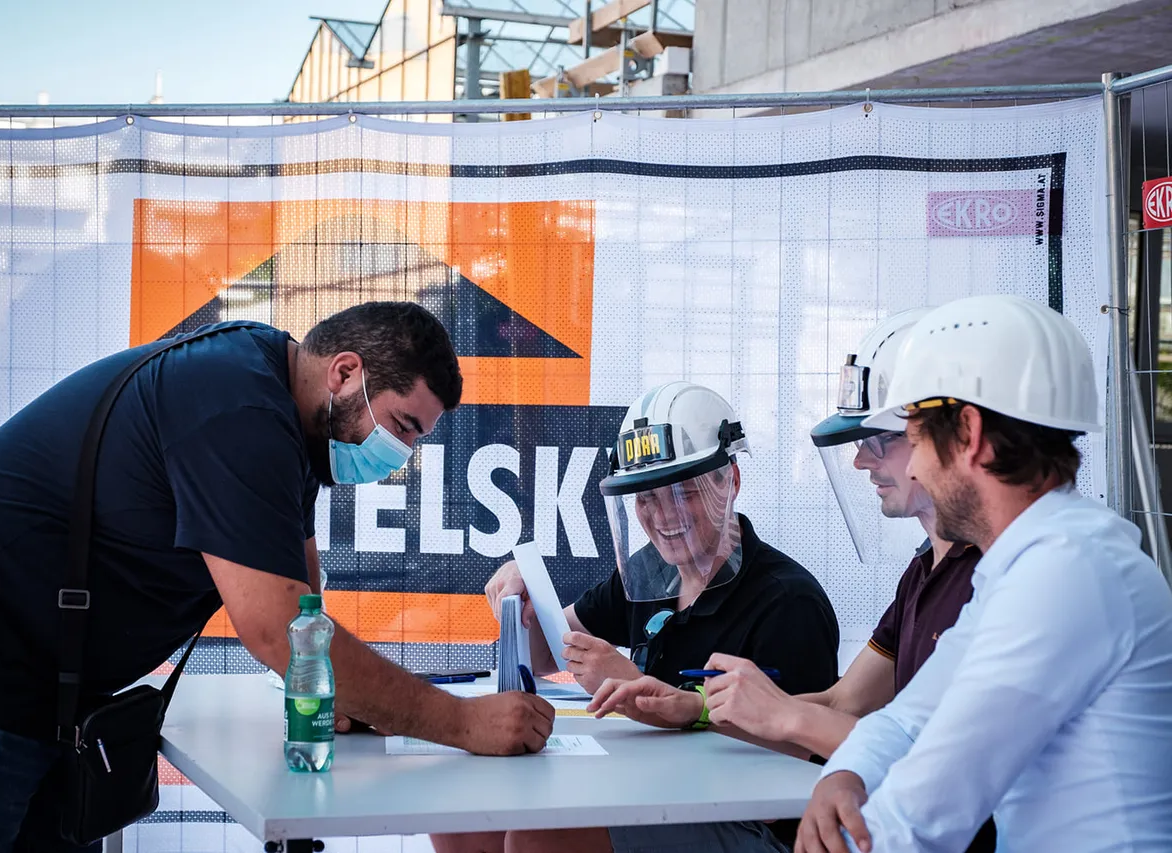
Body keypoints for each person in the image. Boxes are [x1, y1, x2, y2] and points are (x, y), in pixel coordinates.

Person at [0, 302, 554, 853]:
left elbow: (304, 602)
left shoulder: (289, 418)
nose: (401, 455)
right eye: (403, 426)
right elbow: (278, 629)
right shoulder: (237, 407)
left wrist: (344, 697)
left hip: (45, 675)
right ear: (346, 372)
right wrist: (461, 723)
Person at [590, 309, 996, 852]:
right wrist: (695, 708)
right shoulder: (926, 572)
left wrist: (788, 723)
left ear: (963, 437)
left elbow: (931, 756)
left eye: (879, 439)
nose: (859, 461)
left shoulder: (997, 578)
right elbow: (848, 705)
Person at [796, 294, 1172, 853]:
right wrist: (845, 774)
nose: (915, 466)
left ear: (968, 434)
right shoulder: (1031, 563)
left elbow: (928, 811)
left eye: (915, 442)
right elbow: (906, 721)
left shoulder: (1066, 576)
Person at [433, 381, 839, 853]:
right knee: (463, 821)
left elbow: (793, 758)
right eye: (645, 497)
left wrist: (644, 691)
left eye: (682, 492)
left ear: (730, 480)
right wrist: (521, 593)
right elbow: (547, 655)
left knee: (537, 840)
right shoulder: (650, 571)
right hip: (655, 789)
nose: (663, 516)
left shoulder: (788, 602)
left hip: (750, 822)